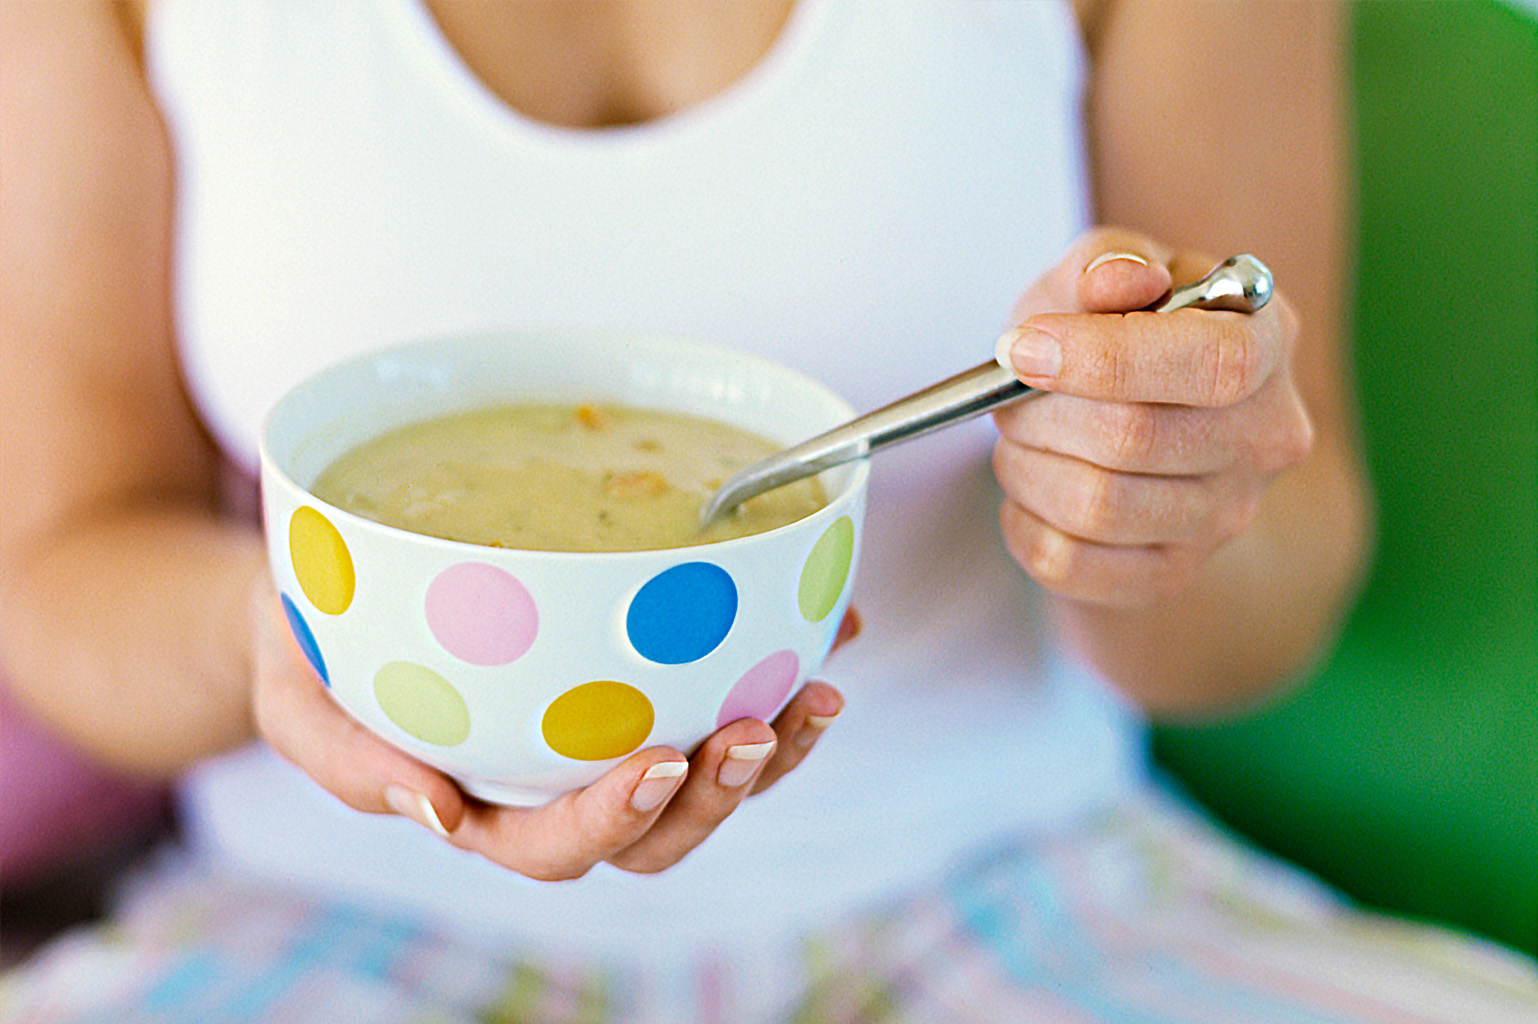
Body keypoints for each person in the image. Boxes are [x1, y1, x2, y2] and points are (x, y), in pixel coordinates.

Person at [1, 1, 1533, 1021]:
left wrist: (1165, 506)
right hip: (326, 920)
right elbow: (62, 571)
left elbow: (1267, 599)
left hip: (1010, 890)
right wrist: (276, 640)